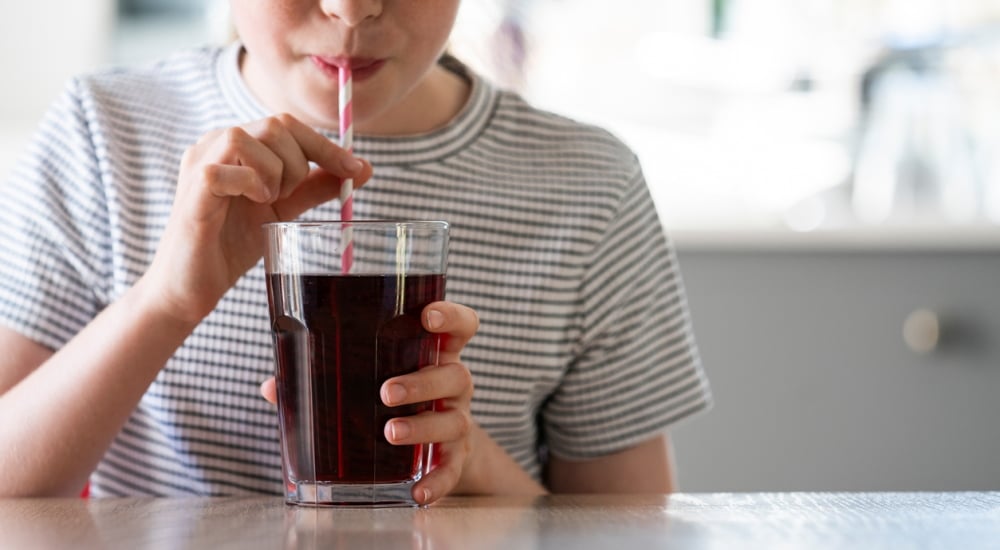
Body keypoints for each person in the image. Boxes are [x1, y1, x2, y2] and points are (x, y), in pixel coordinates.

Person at [0, 0, 710, 503]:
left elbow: (632, 529)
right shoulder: (105, 132)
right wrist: (166, 301)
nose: (351, 8)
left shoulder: (589, 184)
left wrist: (474, 469)